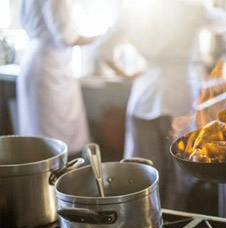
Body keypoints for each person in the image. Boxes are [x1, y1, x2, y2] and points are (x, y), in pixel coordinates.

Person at [97, 0, 209, 210]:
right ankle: (175, 222)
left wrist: (125, 74)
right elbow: (221, 22)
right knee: (179, 167)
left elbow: (101, 49)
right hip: (179, 92)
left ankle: (143, 220)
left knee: (144, 168)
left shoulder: (133, 12)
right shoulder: (192, 9)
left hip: (145, 93)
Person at [18, 0, 97, 156]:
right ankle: (61, 175)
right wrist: (102, 36)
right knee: (56, 136)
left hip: (35, 61)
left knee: (38, 131)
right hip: (50, 65)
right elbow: (67, 38)